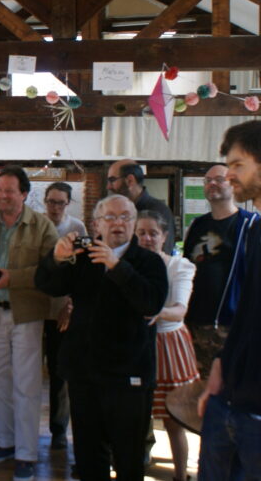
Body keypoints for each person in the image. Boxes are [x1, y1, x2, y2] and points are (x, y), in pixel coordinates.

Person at [36, 195, 167, 481]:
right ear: (96, 224)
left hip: (128, 374)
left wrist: (117, 266)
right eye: (110, 217)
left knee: (129, 457)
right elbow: (47, 285)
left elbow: (151, 303)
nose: (118, 223)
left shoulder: (149, 261)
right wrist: (56, 258)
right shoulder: (83, 257)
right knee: (88, 455)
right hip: (85, 371)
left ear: (134, 222)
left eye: (125, 217)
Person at [0, 166, 58, 481]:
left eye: (9, 190)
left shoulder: (42, 226)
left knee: (26, 384)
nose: (3, 196)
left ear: (24, 194)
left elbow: (51, 270)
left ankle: (26, 453)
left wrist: (13, 278)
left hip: (27, 315)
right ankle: (5, 441)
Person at [197, 121, 261, 480]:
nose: (229, 174)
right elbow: (249, 312)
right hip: (230, 399)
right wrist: (222, 365)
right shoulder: (257, 231)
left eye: (238, 164)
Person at [135, 210, 198, 481]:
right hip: (137, 343)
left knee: (174, 418)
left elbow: (180, 309)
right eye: (141, 233)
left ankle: (181, 475)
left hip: (169, 344)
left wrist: (154, 312)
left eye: (153, 233)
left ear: (164, 237)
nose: (147, 238)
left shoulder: (178, 266)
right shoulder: (128, 265)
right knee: (135, 416)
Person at [183, 164, 258, 377]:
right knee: (197, 387)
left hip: (231, 324)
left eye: (219, 179)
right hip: (194, 322)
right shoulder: (198, 225)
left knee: (228, 384)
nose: (212, 184)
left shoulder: (250, 225)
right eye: (208, 180)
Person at [42, 181, 86, 450]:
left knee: (60, 371)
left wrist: (70, 305)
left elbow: (82, 272)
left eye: (60, 202)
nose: (55, 207)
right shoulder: (37, 224)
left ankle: (58, 429)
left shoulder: (77, 228)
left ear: (68, 203)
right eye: (51, 201)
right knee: (27, 370)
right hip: (37, 305)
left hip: (62, 308)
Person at [107, 158, 176, 253]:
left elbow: (163, 254)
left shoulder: (159, 211)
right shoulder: (117, 211)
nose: (108, 187)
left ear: (130, 180)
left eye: (112, 180)